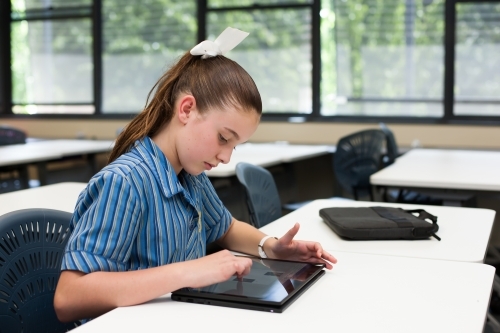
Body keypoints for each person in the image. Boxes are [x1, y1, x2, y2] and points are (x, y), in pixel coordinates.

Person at [54, 27, 337, 323]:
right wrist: (190, 271)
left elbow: (225, 228)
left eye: (235, 145)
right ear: (187, 109)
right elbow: (69, 297)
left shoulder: (191, 175)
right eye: (224, 138)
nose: (226, 156)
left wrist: (270, 248)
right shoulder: (124, 183)